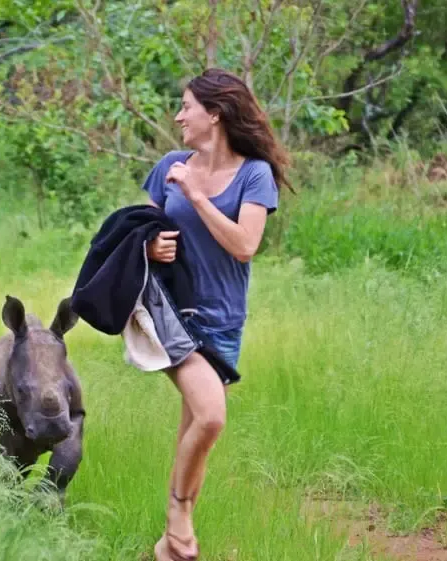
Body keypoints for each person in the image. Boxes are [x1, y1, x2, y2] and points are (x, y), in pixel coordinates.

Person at [141, 68, 291, 561]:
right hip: (171, 315)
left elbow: (244, 245)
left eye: (186, 106)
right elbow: (139, 232)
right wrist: (151, 244)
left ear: (215, 114)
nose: (178, 115)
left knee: (194, 431)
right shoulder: (170, 165)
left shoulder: (254, 174)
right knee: (210, 418)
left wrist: (196, 195)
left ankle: (169, 548)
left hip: (224, 321)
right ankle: (178, 514)